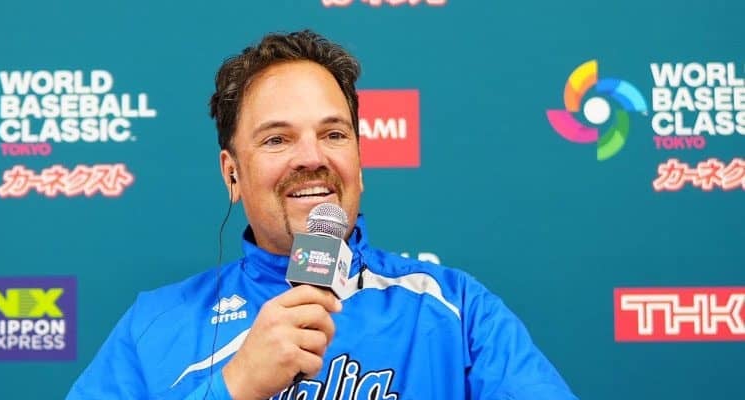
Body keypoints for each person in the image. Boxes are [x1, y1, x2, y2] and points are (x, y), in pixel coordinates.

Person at [66, 30, 578, 400]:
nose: (312, 157)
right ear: (232, 173)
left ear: (359, 161)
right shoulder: (153, 324)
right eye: (277, 139)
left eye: (333, 134)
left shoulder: (456, 309)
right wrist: (235, 386)